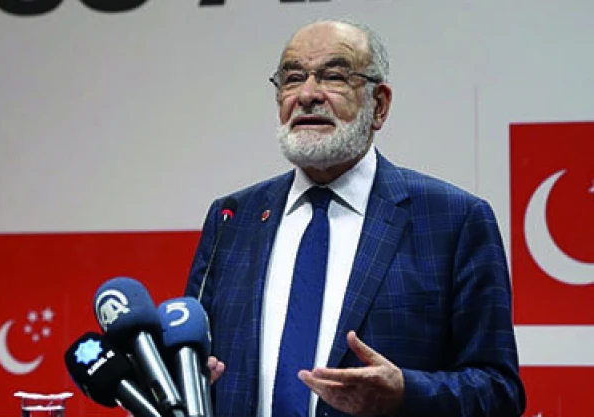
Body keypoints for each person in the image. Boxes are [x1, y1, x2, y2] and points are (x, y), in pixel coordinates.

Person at [184, 18, 526, 417]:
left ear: (378, 105)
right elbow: (189, 356)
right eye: (293, 78)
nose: (308, 95)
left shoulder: (454, 220)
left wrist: (406, 393)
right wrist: (182, 379)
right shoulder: (232, 219)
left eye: (333, 77)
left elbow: (498, 390)